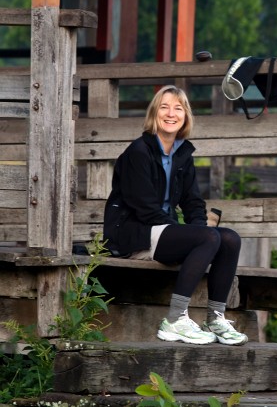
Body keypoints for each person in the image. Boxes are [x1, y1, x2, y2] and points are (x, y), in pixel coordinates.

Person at [103, 85, 247, 346]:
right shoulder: (138, 152)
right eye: (164, 107)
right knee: (207, 238)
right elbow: (144, 207)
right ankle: (175, 320)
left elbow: (193, 202)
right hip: (134, 233)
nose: (171, 113)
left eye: (178, 108)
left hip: (162, 230)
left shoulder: (182, 154)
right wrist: (194, 235)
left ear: (186, 116)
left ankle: (215, 317)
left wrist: (202, 231)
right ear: (154, 113)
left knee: (229, 239)